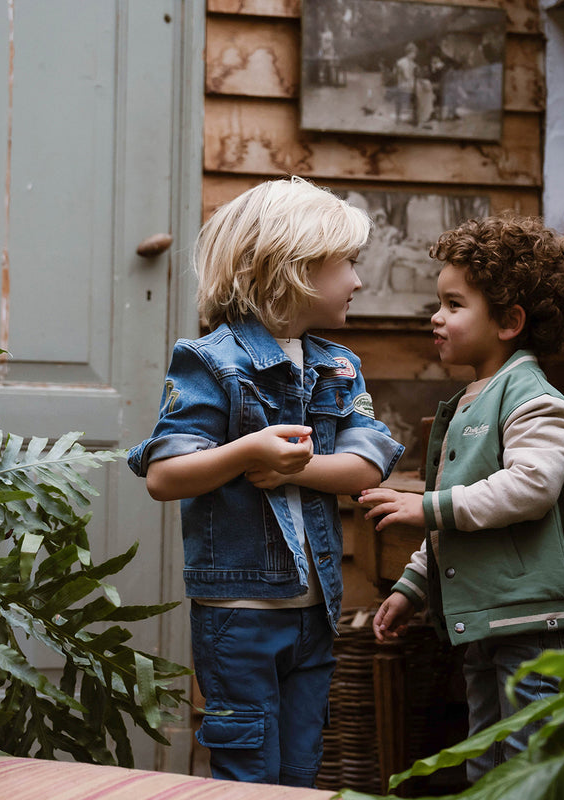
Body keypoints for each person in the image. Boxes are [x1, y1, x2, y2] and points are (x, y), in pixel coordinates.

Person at [127, 176, 405, 787]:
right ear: (295, 268)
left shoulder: (339, 366)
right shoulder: (210, 362)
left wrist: (284, 466)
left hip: (316, 611)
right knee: (248, 769)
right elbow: (164, 474)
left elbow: (366, 464)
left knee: (303, 766)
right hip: (240, 613)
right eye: (348, 264)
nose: (358, 281)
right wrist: (244, 451)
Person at [358, 214, 564, 783]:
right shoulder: (472, 400)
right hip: (491, 621)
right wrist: (414, 586)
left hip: (535, 623)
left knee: (528, 765)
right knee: (486, 764)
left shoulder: (534, 399)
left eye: (453, 304)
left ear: (510, 321)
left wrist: (427, 508)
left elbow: (530, 488)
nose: (436, 318)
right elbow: (456, 514)